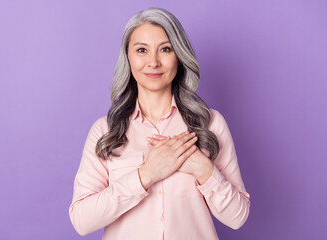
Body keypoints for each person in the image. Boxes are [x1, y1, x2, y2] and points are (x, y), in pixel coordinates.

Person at [69, 7, 250, 240]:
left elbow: (238, 217)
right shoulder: (105, 131)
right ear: (128, 57)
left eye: (165, 49)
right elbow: (82, 221)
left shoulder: (210, 124)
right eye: (141, 50)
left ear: (180, 56)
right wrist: (146, 175)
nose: (153, 62)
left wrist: (203, 169)